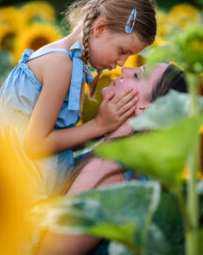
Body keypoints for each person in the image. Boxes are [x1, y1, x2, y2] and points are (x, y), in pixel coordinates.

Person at [0, 0, 156, 254]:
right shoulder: (61, 65)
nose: (123, 63)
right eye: (123, 51)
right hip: (24, 183)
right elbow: (35, 144)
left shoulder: (71, 64)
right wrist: (99, 125)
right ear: (100, 28)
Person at [37, 63, 188, 255]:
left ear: (145, 109)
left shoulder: (106, 171)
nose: (124, 70)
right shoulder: (125, 161)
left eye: (137, 76)